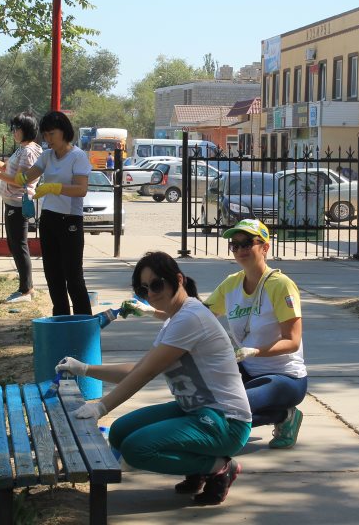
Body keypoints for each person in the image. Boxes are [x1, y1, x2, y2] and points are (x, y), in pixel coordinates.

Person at [57, 251, 252, 505]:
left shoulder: (190, 318)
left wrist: (101, 407)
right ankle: (198, 468)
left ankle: (217, 468)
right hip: (196, 411)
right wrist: (84, 368)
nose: (150, 293)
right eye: (143, 289)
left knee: (137, 448)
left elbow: (145, 374)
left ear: (178, 280)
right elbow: (139, 369)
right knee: (120, 432)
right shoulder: (174, 320)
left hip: (227, 421)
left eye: (156, 284)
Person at [204, 219, 307, 449]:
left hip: (284, 377)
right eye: (235, 245)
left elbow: (292, 341)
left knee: (232, 408)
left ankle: (284, 415)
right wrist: (156, 310)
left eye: (247, 243)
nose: (240, 250)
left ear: (265, 247)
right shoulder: (231, 284)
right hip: (246, 370)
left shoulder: (281, 285)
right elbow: (198, 318)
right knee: (202, 401)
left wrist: (255, 351)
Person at [15, 111, 92, 315]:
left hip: (70, 220)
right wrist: (20, 177)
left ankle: (84, 322)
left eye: (51, 133)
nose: (47, 139)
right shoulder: (47, 155)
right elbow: (31, 174)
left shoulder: (78, 156)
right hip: (49, 218)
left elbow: (81, 189)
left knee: (73, 276)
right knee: (52, 274)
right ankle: (61, 318)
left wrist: (54, 188)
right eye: (45, 135)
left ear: (64, 131)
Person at [0, 113, 42, 303]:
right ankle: (26, 287)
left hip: (18, 202)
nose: (14, 132)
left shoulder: (28, 151)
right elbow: (4, 167)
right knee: (14, 244)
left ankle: (26, 289)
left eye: (17, 128)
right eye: (13, 128)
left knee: (19, 245)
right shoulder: (21, 149)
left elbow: (20, 180)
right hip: (11, 202)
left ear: (27, 129)